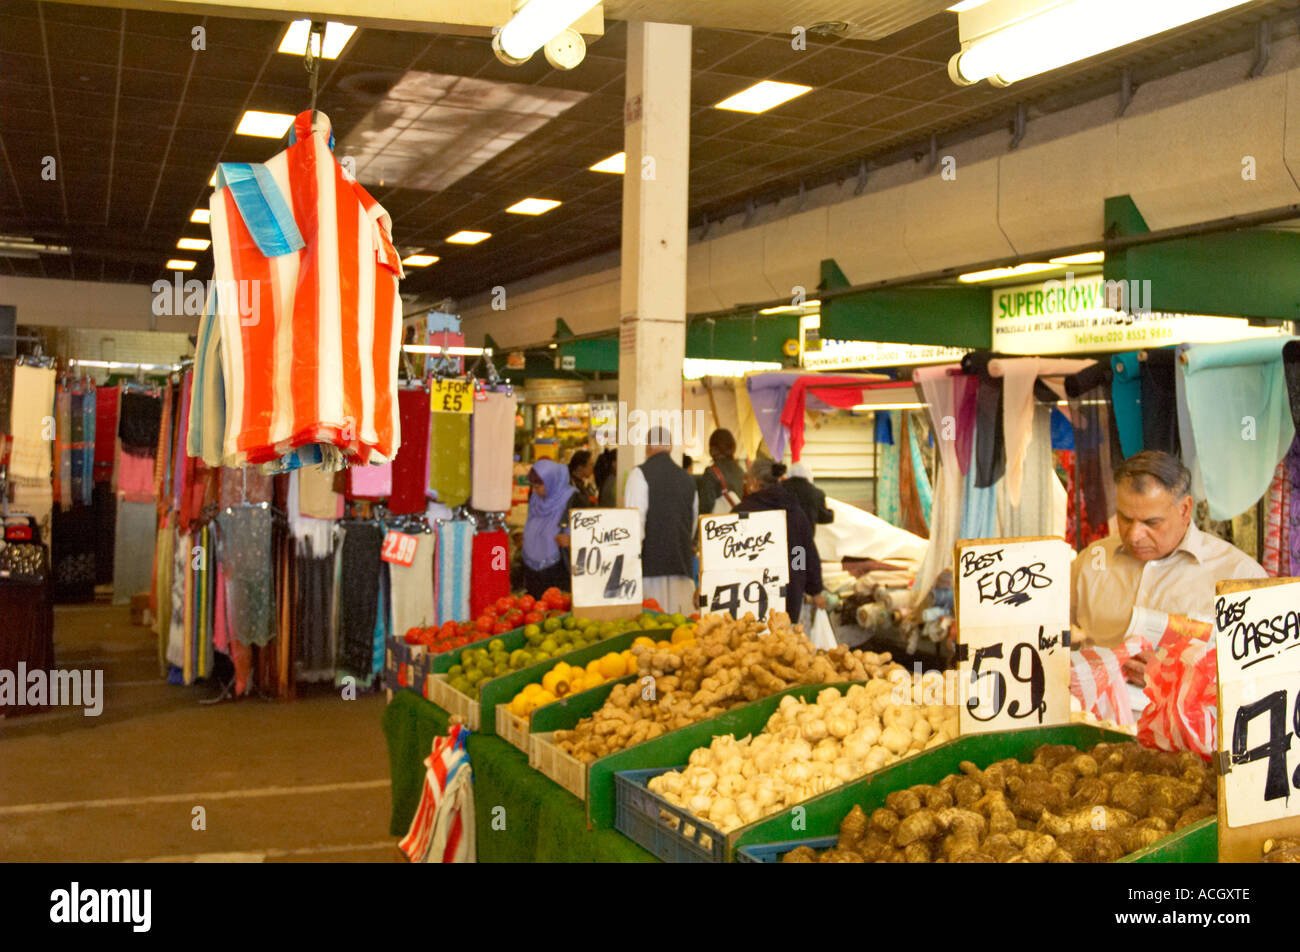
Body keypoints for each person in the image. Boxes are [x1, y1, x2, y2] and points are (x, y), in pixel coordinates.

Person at [1071, 450, 1265, 684]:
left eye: (1151, 522)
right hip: (1096, 717)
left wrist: (1180, 676)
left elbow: (1262, 678)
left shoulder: (1238, 576)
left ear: (1184, 509)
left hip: (1186, 719)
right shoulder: (1091, 562)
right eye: (1125, 518)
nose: (1134, 535)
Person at [734, 458, 826, 619]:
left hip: (750, 596)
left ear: (755, 482)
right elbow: (802, 551)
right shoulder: (794, 510)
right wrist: (811, 587)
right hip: (790, 595)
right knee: (784, 640)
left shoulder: (742, 512)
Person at [624, 427, 698, 615]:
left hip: (649, 570)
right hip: (681, 568)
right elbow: (693, 526)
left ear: (647, 447)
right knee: (680, 629)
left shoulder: (639, 475)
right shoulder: (688, 480)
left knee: (651, 628)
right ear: (671, 447)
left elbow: (633, 527)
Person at [521, 458, 583, 599]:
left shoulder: (575, 500)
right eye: (533, 487)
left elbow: (593, 534)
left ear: (551, 481)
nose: (535, 491)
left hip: (560, 573)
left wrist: (573, 541)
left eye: (538, 486)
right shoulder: (535, 500)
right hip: (534, 575)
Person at [698, 428, 745, 514]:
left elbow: (706, 506)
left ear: (713, 449)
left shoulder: (711, 473)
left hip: (719, 524)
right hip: (737, 522)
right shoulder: (740, 470)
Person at [783, 461, 834, 528]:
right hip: (805, 535)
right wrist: (830, 512)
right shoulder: (816, 493)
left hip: (782, 534)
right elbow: (824, 518)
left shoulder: (779, 489)